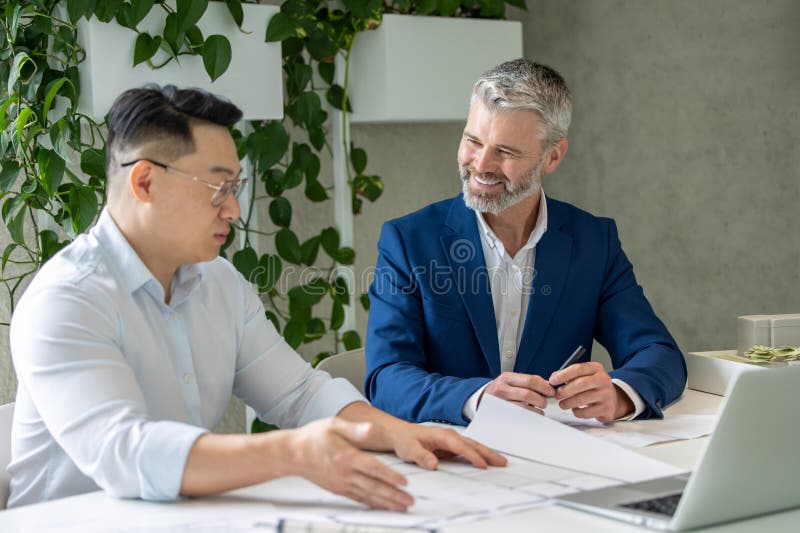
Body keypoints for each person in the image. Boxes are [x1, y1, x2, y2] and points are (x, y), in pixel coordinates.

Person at [7, 85, 504, 510]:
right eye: (218, 188)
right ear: (145, 181)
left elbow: (299, 394)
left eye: (236, 187)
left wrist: (396, 432)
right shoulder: (67, 300)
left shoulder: (219, 283)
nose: (234, 209)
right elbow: (126, 453)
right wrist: (292, 453)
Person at [365, 59, 687, 426]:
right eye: (473, 141)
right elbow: (386, 377)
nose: (481, 164)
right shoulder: (408, 241)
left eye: (505, 152)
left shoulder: (595, 242)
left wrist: (619, 394)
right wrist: (477, 399)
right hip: (447, 459)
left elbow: (659, 354)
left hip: (561, 460)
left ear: (553, 155)